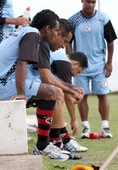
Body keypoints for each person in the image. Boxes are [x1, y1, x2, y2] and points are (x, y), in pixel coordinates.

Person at [0, 9, 82, 161]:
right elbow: (22, 63)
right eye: (55, 31)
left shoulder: (29, 33)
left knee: (51, 92)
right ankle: (43, 146)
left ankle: (51, 142)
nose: (56, 34)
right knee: (50, 92)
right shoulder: (32, 34)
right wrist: (21, 93)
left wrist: (71, 89)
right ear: (47, 29)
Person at [27, 19, 88, 155]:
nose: (63, 46)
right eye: (65, 41)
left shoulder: (57, 56)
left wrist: (72, 90)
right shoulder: (64, 62)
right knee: (59, 94)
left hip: (31, 83)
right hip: (26, 85)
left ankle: (60, 138)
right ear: (76, 64)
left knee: (58, 93)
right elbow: (68, 97)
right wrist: (74, 120)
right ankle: (60, 140)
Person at [66, 0, 118, 139]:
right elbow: (67, 42)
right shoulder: (73, 20)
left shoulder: (103, 19)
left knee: (102, 94)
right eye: (88, 1)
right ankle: (86, 127)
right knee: (82, 96)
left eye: (93, 2)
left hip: (99, 65)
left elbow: (110, 41)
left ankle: (105, 126)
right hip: (79, 67)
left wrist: (109, 62)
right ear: (82, 0)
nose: (90, 4)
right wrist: (70, 59)